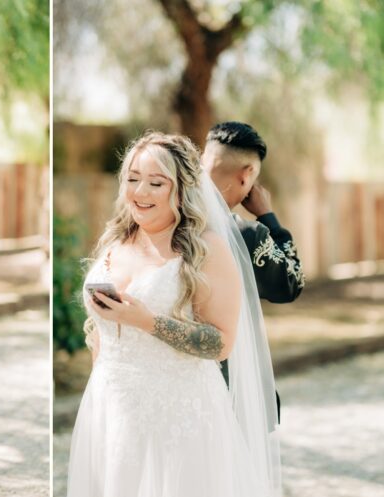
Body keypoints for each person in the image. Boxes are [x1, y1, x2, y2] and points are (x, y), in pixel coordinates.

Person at [68, 131, 280, 496]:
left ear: (181, 188)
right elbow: (101, 335)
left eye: (156, 182)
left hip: (178, 416)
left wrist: (147, 322)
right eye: (133, 179)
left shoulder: (206, 249)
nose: (140, 191)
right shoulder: (117, 241)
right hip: (110, 406)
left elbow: (221, 343)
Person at [202, 121, 305, 303]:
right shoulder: (245, 236)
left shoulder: (164, 215)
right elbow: (292, 282)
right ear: (246, 175)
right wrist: (267, 216)